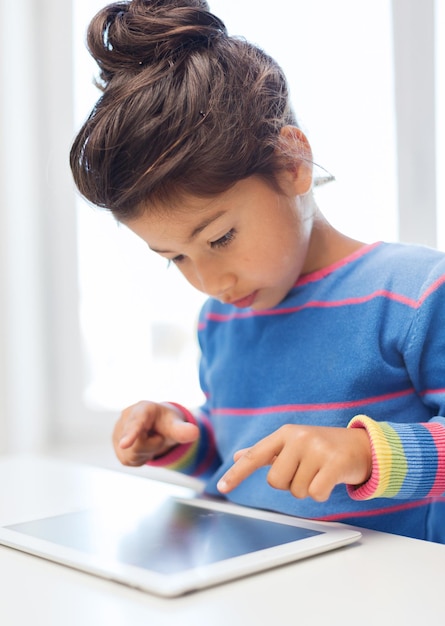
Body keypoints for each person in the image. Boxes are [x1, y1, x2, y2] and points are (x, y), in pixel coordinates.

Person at [70, 0, 445, 543]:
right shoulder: (221, 321)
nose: (209, 282)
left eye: (220, 237)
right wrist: (181, 438)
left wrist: (366, 453)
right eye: (175, 257)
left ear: (291, 164)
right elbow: (237, 458)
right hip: (255, 590)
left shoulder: (415, 293)